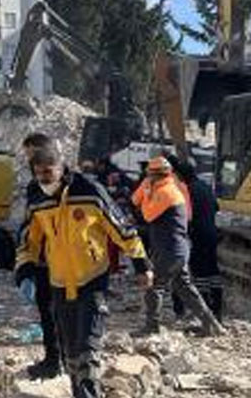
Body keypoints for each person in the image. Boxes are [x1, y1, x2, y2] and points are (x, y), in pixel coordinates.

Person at [15, 134, 151, 398]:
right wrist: (25, 270)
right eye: (38, 172)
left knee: (88, 354)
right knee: (72, 356)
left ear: (61, 166)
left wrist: (140, 262)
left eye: (48, 171)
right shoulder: (36, 197)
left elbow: (120, 227)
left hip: (92, 280)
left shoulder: (88, 190)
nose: (43, 177)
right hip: (58, 283)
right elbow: (27, 240)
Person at [131, 155, 223, 337]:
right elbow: (135, 200)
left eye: (149, 175)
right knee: (185, 288)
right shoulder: (166, 188)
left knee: (154, 285)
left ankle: (152, 326)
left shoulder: (167, 192)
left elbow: (148, 215)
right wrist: (145, 188)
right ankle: (212, 325)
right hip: (175, 248)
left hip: (170, 249)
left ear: (154, 175)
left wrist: (147, 192)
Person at [18, 134, 62, 381]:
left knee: (53, 312)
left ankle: (56, 361)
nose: (27, 157)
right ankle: (56, 358)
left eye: (30, 152)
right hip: (45, 257)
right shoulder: (37, 183)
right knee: (50, 312)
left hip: (53, 258)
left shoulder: (43, 186)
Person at [171, 157, 223, 321]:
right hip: (212, 233)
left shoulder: (185, 190)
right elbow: (216, 207)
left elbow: (184, 216)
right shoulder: (205, 187)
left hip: (196, 235)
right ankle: (217, 310)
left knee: (197, 273)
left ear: (179, 175)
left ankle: (203, 313)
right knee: (212, 271)